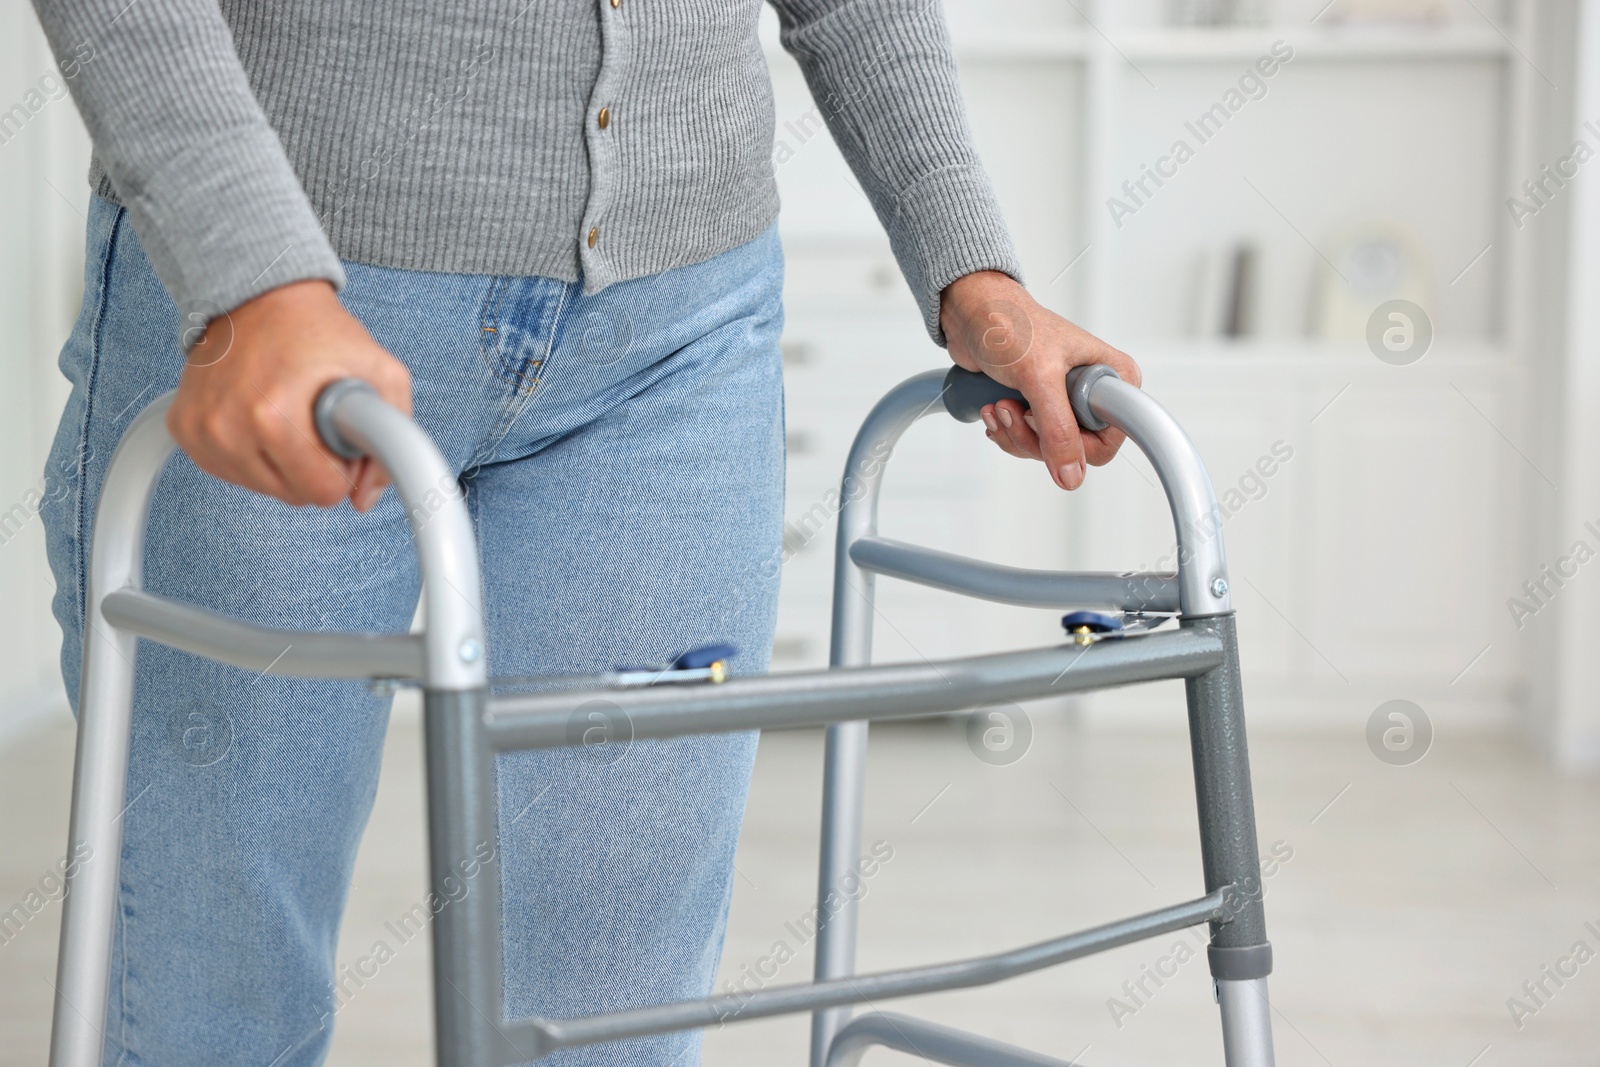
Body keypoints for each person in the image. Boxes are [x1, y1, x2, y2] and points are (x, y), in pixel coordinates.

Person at [32, 0, 1141, 1063]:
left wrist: (972, 271)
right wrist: (248, 274)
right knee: (218, 988)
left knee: (621, 1007)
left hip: (675, 329)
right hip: (282, 308)